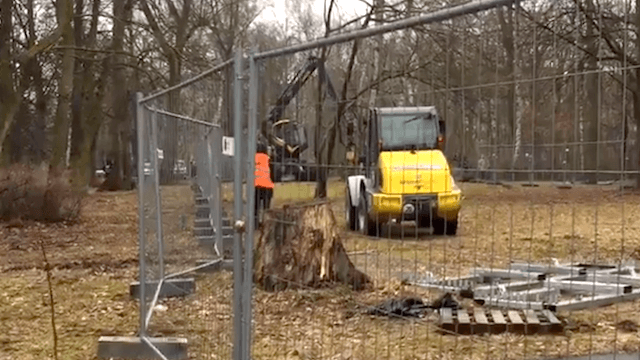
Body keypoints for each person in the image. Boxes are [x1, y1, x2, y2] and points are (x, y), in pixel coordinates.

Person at [254, 140, 274, 227]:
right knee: (266, 208)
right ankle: (266, 223)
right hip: (267, 186)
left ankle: (255, 224)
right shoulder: (268, 159)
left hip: (256, 186)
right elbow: (273, 173)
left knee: (256, 207)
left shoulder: (253, 159)